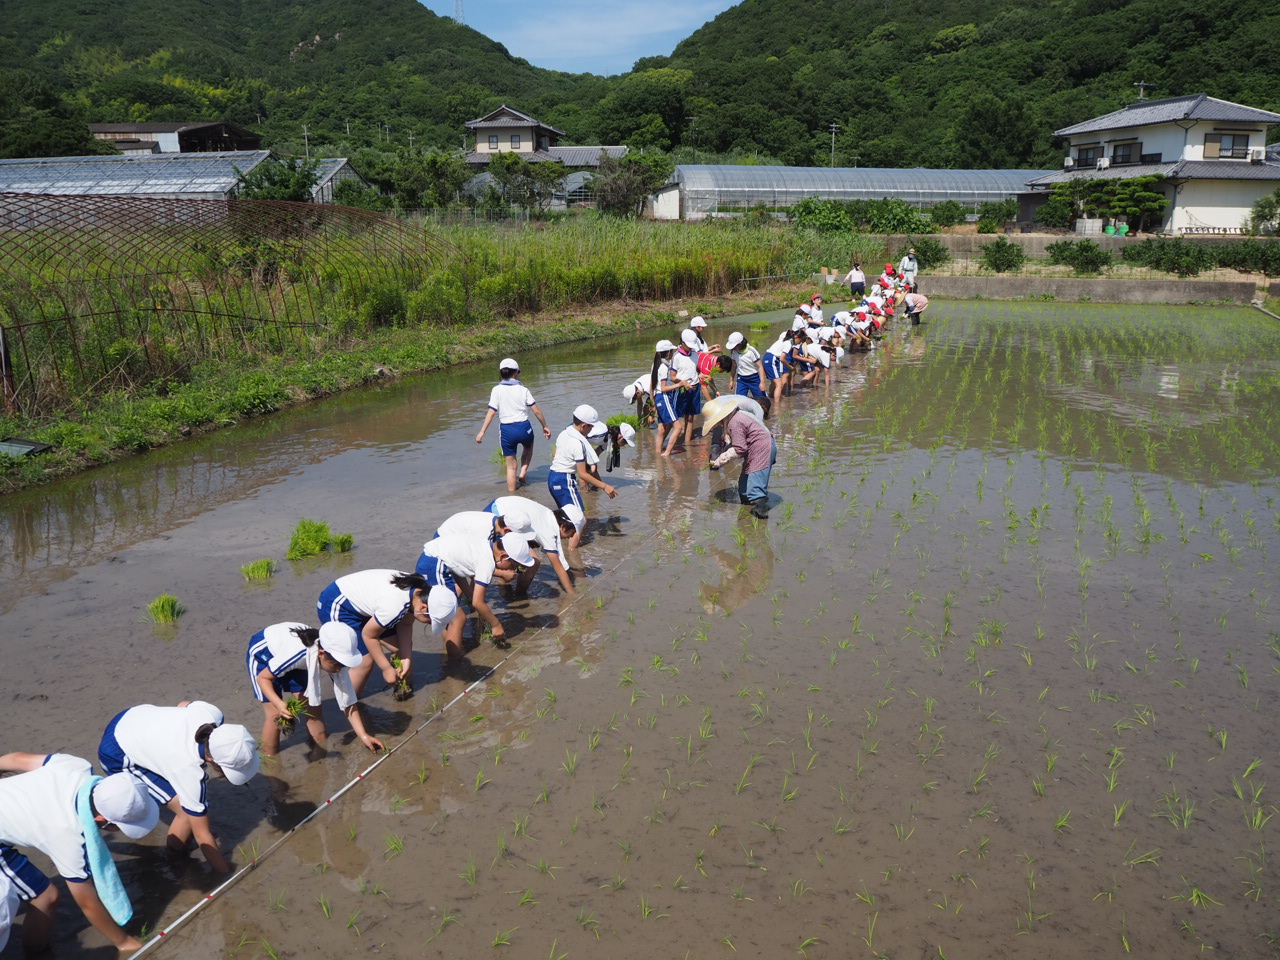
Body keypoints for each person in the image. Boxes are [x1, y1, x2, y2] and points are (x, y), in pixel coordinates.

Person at [0, 751, 159, 956]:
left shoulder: (76, 766)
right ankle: (36, 953)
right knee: (45, 898)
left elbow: (14, 758)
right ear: (102, 820)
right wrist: (124, 942)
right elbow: (87, 902)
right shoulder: (68, 835)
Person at [97, 701, 258, 875]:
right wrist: (226, 874)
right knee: (186, 813)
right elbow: (202, 835)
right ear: (212, 760)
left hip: (132, 718)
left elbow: (183, 704)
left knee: (188, 807)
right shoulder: (188, 771)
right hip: (118, 754)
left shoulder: (212, 715)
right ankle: (174, 856)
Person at [249, 621, 385, 756]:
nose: (339, 669)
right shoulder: (297, 655)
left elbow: (348, 701)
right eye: (336, 665)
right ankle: (271, 759)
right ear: (321, 653)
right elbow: (263, 679)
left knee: (312, 707)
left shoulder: (337, 662)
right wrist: (278, 703)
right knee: (275, 715)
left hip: (298, 657)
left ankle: (320, 749)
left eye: (343, 665)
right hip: (264, 652)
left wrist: (364, 736)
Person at [317, 569, 458, 694]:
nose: (429, 623)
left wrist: (406, 658)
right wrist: (386, 668)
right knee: (365, 662)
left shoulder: (419, 593)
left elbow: (406, 626)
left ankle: (402, 688)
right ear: (423, 607)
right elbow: (369, 635)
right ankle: (348, 706)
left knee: (398, 649)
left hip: (369, 607)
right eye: (430, 620)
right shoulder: (395, 606)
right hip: (338, 604)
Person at [417, 531, 531, 655]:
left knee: (448, 614)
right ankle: (456, 661)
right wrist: (496, 625)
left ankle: (453, 648)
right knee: (458, 618)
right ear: (503, 557)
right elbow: (478, 603)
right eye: (513, 565)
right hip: (435, 565)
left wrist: (470, 595)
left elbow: (458, 570)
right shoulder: (487, 563)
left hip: (433, 561)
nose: (512, 569)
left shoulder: (483, 545)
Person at [475, 358, 551, 493]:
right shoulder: (523, 390)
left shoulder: (496, 390)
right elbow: (536, 410)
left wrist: (482, 431)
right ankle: (523, 472)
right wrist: (545, 425)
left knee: (510, 468)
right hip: (524, 427)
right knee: (528, 447)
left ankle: (512, 496)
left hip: (507, 430)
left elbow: (491, 412)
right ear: (517, 372)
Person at [482, 495, 580, 595]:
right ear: (563, 527)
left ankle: (505, 584)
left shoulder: (549, 516)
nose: (572, 536)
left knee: (520, 558)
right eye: (572, 532)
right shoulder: (549, 532)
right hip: (500, 518)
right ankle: (518, 594)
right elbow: (558, 568)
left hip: (500, 507)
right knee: (531, 563)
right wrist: (572, 593)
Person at [703, 396, 778, 520]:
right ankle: (745, 516)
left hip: (762, 449)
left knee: (755, 488)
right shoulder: (735, 416)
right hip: (755, 448)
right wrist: (721, 457)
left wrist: (720, 460)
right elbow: (737, 444)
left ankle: (761, 520)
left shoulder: (734, 422)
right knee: (743, 485)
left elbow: (740, 449)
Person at [549, 404, 618, 532]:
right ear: (584, 426)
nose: (591, 430)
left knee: (564, 517)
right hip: (564, 480)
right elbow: (583, 474)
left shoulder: (564, 433)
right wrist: (605, 486)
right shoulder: (578, 443)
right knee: (579, 519)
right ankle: (575, 550)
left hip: (552, 478)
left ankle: (560, 543)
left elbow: (555, 454)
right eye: (591, 427)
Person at [650, 340, 688, 457]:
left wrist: (653, 402)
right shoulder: (663, 367)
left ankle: (658, 453)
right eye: (671, 351)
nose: (672, 353)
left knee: (661, 429)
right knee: (678, 427)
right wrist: (679, 384)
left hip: (658, 398)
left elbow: (652, 386)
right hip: (664, 398)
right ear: (667, 353)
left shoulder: (655, 365)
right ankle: (667, 453)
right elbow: (664, 388)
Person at [725, 331, 767, 400]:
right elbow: (734, 366)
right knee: (739, 400)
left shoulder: (751, 351)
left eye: (735, 346)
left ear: (740, 344)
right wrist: (731, 380)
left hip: (754, 378)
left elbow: (760, 366)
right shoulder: (733, 351)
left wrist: (762, 382)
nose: (733, 348)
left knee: (762, 400)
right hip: (741, 379)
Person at [762, 329, 793, 403]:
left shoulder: (780, 341)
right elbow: (782, 359)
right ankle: (777, 405)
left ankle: (771, 397)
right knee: (779, 384)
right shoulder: (788, 343)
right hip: (772, 359)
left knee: (774, 381)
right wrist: (789, 366)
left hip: (766, 357)